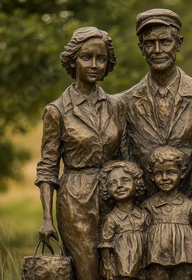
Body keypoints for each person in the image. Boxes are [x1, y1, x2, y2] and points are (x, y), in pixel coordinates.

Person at [35, 27, 127, 280]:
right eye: (86, 57)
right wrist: (46, 218)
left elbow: (126, 158)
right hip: (76, 199)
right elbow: (48, 167)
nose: (94, 64)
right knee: (87, 272)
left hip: (115, 196)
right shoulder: (57, 110)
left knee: (120, 270)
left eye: (101, 59)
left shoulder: (116, 106)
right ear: (73, 60)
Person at [115, 8, 192, 196]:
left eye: (165, 42)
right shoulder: (123, 103)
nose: (157, 50)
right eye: (150, 43)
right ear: (141, 48)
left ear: (178, 44)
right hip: (143, 210)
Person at [142, 146, 192, 280]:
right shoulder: (149, 206)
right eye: (158, 173)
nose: (164, 178)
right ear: (152, 176)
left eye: (171, 172)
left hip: (184, 259)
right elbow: (140, 232)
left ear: (182, 173)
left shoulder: (187, 205)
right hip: (156, 259)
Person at [98, 160, 149, 280]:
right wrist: (107, 266)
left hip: (142, 265)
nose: (119, 186)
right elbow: (106, 244)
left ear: (137, 183)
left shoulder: (143, 215)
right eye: (112, 183)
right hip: (122, 265)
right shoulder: (111, 218)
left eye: (125, 181)